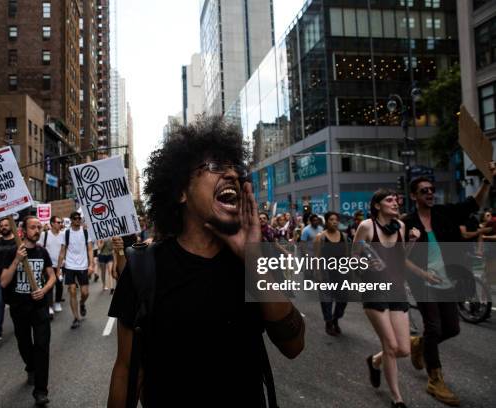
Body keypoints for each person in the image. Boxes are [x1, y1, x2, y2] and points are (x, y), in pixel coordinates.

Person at [107, 116, 305, 407]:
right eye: (214, 166)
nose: (232, 176)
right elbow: (126, 371)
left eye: (233, 167)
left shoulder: (256, 259)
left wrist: (251, 257)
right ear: (181, 192)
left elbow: (294, 345)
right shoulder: (143, 268)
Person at [404, 168, 495, 407]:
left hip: (447, 281)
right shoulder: (407, 223)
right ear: (414, 196)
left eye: (432, 190)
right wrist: (422, 272)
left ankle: (420, 344)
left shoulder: (444, 214)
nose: (430, 194)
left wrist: (487, 181)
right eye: (424, 191)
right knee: (433, 327)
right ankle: (435, 379)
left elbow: (472, 204)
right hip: (423, 282)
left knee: (452, 328)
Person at [353, 189, 423, 408]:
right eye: (390, 200)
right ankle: (397, 398)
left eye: (397, 200)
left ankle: (374, 361)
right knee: (391, 346)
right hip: (373, 290)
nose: (396, 203)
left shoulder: (400, 227)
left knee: (403, 349)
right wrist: (366, 263)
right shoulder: (366, 227)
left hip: (396, 290)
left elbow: (401, 258)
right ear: (377, 205)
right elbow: (353, 261)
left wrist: (412, 241)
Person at [0, 216, 56, 407]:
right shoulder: (11, 252)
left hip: (39, 308)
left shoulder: (42, 252)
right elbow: (3, 281)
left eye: (39, 227)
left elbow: (52, 276)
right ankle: (30, 366)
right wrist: (17, 260)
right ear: (23, 231)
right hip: (19, 307)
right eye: (33, 227)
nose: (37, 230)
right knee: (24, 344)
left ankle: (41, 391)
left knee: (42, 347)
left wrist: (45, 290)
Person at [58, 211, 94, 329]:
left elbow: (89, 249)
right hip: (70, 266)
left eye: (79, 218)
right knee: (72, 290)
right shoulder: (66, 233)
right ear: (72, 220)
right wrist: (58, 268)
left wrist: (91, 264)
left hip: (83, 266)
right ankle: (76, 318)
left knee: (85, 293)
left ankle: (82, 303)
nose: (78, 220)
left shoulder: (85, 232)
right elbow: (62, 251)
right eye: (75, 218)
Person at [314, 212, 349, 336]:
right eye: (331, 219)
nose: (334, 222)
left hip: (340, 271)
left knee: (343, 299)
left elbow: (346, 255)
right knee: (327, 300)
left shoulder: (343, 236)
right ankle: (329, 323)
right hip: (325, 272)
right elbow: (317, 257)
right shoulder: (321, 237)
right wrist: (318, 274)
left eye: (336, 219)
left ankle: (335, 319)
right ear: (326, 222)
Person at [0, 217, 17, 341]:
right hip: (0, 279)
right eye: (2, 226)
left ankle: (19, 327)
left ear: (11, 226)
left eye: (6, 225)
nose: (4, 227)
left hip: (14, 279)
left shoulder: (17, 241)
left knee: (15, 305)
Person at [38, 215, 65, 316]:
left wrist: (59, 268)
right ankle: (49, 306)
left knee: (59, 284)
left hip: (59, 265)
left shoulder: (63, 235)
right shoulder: (44, 235)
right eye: (58, 222)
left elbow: (63, 251)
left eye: (61, 222)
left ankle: (57, 302)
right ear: (52, 223)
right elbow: (39, 247)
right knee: (48, 286)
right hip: (47, 265)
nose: (60, 224)